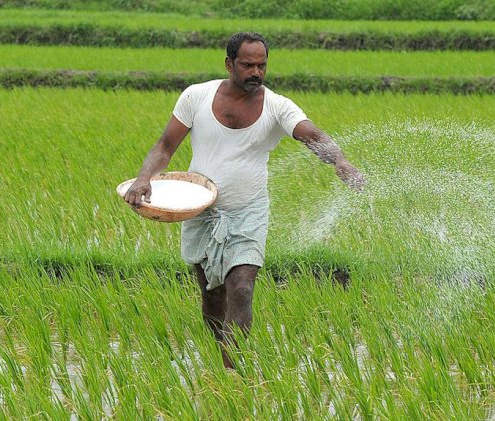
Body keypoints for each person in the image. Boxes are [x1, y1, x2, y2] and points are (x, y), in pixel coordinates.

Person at [123, 32, 364, 368]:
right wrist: (144, 178)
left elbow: (313, 134)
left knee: (241, 288)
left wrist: (339, 160)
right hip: (200, 210)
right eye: (248, 65)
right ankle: (219, 354)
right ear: (229, 64)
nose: (256, 72)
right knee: (211, 297)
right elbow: (165, 146)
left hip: (248, 210)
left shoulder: (278, 106)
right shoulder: (197, 97)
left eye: (261, 65)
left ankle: (232, 370)